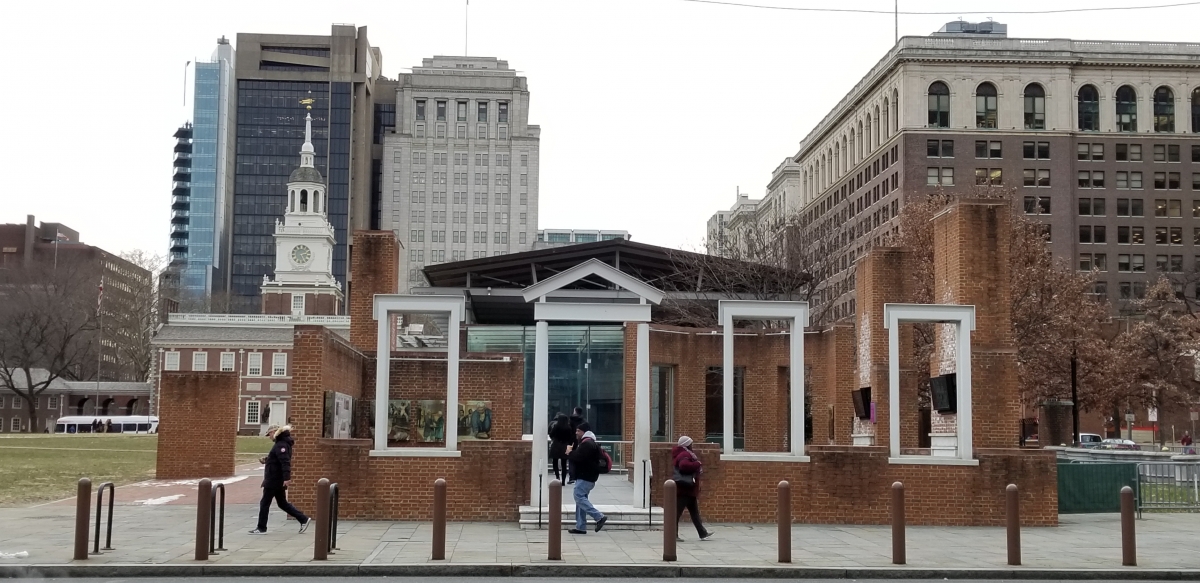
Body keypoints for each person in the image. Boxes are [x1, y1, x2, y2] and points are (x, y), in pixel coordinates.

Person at [250, 425, 312, 535]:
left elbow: (285, 462)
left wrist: (287, 478)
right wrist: (267, 460)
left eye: (269, 434)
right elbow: (278, 459)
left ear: (274, 432)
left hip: (274, 479)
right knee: (282, 503)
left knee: (265, 503)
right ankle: (303, 519)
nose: (269, 437)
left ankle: (261, 527)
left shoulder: (281, 445)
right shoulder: (282, 443)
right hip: (276, 479)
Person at [566, 422, 607, 534]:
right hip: (588, 476)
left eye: (578, 431)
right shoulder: (589, 443)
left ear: (584, 432)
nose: (576, 433)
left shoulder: (587, 444)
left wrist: (570, 453)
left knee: (578, 497)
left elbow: (579, 458)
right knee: (581, 501)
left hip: (585, 476)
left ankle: (599, 517)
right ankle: (581, 526)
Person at [671, 436, 714, 541]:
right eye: (690, 443)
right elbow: (683, 466)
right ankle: (673, 535)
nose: (692, 445)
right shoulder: (684, 454)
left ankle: (702, 532)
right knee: (677, 513)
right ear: (687, 444)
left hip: (688, 489)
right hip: (685, 489)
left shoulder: (683, 453)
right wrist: (697, 464)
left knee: (694, 512)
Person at [548, 413, 574, 483]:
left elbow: (551, 434)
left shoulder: (556, 427)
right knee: (564, 464)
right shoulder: (568, 428)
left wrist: (554, 438)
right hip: (564, 445)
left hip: (556, 445)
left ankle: (557, 477)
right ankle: (563, 481)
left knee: (555, 462)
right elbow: (570, 438)